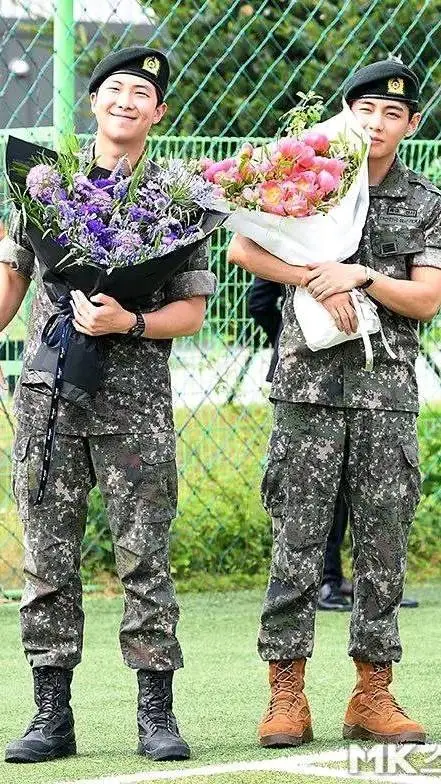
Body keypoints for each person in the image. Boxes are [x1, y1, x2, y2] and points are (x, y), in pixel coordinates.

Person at [0, 46, 216, 764]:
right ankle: (50, 716)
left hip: (134, 406)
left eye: (141, 94)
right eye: (114, 89)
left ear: (158, 113)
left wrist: (130, 321)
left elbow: (192, 311)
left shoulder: (177, 197)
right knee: (46, 559)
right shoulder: (44, 183)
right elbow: (11, 284)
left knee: (144, 557)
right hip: (51, 399)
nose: (126, 101)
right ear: (94, 102)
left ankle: (156, 714)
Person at [228, 58, 441, 746]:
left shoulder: (425, 200)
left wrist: (362, 276)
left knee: (382, 542)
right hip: (307, 387)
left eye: (392, 114)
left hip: (385, 392)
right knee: (296, 537)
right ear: (345, 114)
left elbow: (426, 299)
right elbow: (243, 249)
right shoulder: (305, 175)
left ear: (411, 125)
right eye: (365, 109)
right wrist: (312, 276)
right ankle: (285, 693)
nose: (376, 123)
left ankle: (372, 693)